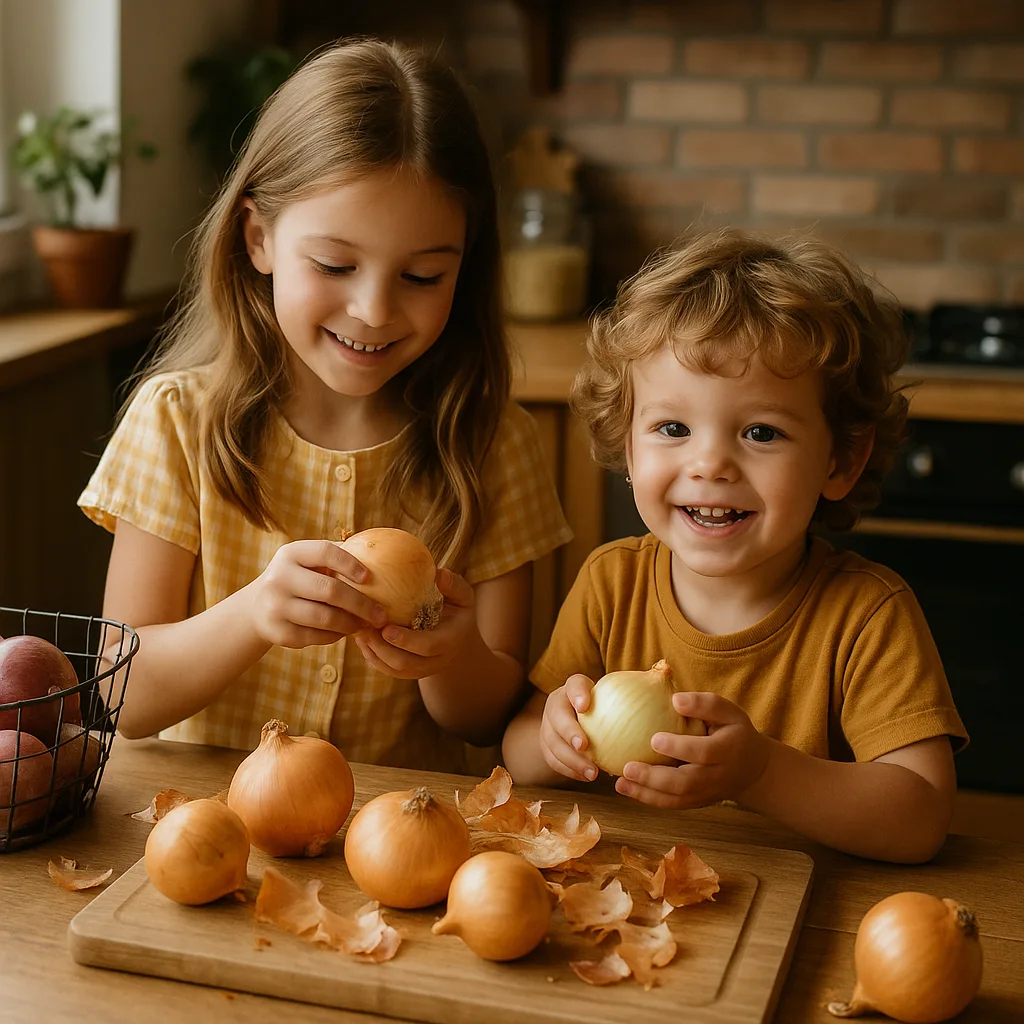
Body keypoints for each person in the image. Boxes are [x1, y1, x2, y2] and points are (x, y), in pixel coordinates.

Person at [79, 38, 571, 772]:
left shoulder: (495, 443)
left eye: (423, 276)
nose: (373, 310)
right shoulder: (176, 421)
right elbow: (124, 700)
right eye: (336, 265)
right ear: (259, 238)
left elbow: (484, 722)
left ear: (464, 271)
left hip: (401, 853)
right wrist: (251, 616)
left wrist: (452, 654)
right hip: (203, 841)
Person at [502, 227, 967, 864]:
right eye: (672, 427)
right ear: (629, 448)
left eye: (760, 432)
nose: (711, 463)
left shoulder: (867, 615)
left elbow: (920, 817)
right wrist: (554, 739)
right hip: (634, 905)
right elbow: (519, 750)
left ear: (842, 460)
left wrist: (761, 774)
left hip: (799, 919)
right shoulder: (612, 583)